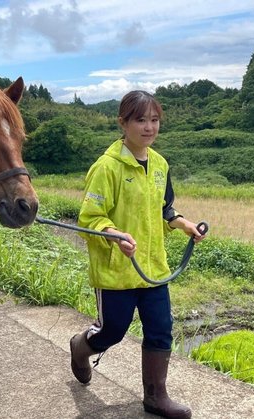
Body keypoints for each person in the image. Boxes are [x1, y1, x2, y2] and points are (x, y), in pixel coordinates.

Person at [70, 90, 206, 419]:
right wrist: (113, 235)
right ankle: (80, 346)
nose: (149, 127)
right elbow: (90, 218)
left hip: (153, 268)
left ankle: (156, 396)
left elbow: (164, 208)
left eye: (155, 120)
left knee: (161, 329)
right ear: (123, 123)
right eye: (140, 120)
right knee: (113, 331)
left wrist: (184, 224)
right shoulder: (107, 167)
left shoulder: (160, 164)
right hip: (116, 269)